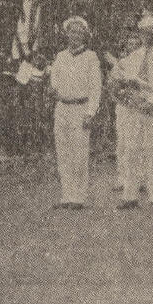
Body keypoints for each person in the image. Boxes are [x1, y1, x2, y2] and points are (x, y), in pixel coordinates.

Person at [115, 15, 153, 211]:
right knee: (131, 149)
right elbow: (122, 81)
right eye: (144, 32)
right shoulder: (132, 57)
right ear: (140, 34)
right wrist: (127, 90)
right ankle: (129, 195)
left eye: (152, 32)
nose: (147, 36)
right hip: (134, 108)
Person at [47, 16, 102, 210]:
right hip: (62, 107)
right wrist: (53, 89)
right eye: (72, 32)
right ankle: (66, 195)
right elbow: (54, 80)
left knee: (79, 152)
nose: (75, 36)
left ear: (85, 36)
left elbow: (96, 88)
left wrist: (90, 112)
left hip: (80, 108)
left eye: (79, 32)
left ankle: (78, 196)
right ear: (67, 34)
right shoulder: (61, 56)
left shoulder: (91, 57)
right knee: (63, 151)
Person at [106, 31, 142, 192]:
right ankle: (122, 178)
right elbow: (112, 86)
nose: (133, 48)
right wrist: (120, 96)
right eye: (130, 45)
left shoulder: (144, 63)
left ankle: (140, 178)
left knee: (139, 142)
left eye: (136, 45)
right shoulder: (120, 64)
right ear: (126, 47)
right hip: (123, 107)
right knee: (122, 142)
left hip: (139, 107)